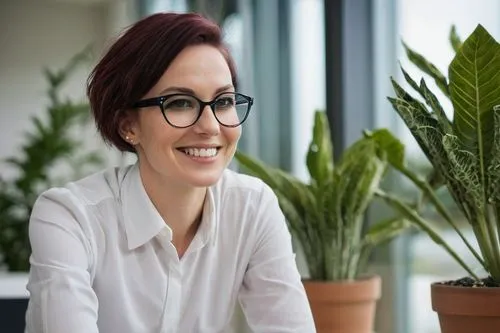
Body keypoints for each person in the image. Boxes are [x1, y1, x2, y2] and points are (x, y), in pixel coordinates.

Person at [24, 11, 315, 333]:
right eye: (179, 103)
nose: (210, 126)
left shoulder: (252, 206)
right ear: (128, 125)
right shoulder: (70, 216)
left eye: (224, 101)